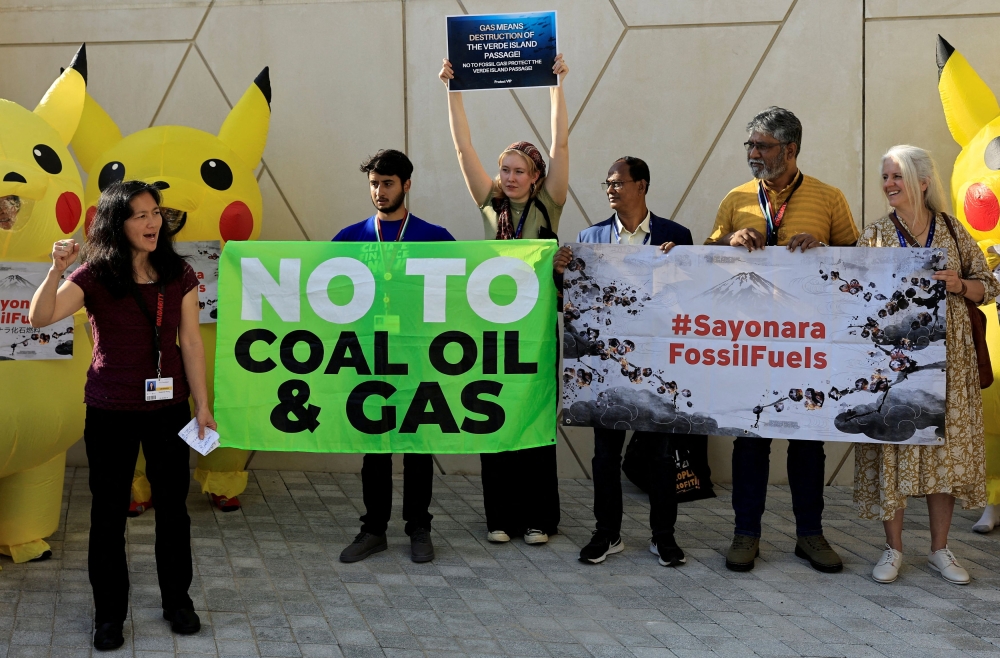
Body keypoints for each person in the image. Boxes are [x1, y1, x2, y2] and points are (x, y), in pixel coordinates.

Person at [28, 180, 212, 651]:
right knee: (108, 514)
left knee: (174, 509)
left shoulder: (178, 272)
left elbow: (191, 342)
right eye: (140, 215)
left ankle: (178, 602)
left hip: (168, 408)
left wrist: (203, 405)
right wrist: (55, 270)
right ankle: (109, 614)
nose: (153, 222)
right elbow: (40, 317)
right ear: (117, 223)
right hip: (110, 409)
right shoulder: (94, 274)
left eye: (156, 213)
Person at [706, 107, 859, 573]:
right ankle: (745, 535)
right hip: (749, 344)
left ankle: (810, 535)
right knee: (750, 440)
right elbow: (705, 259)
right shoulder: (736, 198)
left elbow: (856, 262)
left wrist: (824, 250)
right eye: (750, 144)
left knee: (808, 443)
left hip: (807, 345)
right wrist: (729, 241)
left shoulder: (829, 198)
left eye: (762, 145)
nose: (753, 153)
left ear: (789, 149)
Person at [438, 54, 569, 544]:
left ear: (535, 176)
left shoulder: (549, 203)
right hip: (491, 329)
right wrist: (452, 89)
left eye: (519, 171)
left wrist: (556, 85)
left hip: (535, 332)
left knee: (533, 415)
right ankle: (500, 517)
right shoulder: (490, 204)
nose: (510, 177)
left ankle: (538, 518)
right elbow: (462, 147)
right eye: (505, 170)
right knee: (490, 412)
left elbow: (560, 144)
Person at [854, 145, 1000, 584]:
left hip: (951, 363)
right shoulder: (875, 236)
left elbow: (989, 285)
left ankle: (940, 549)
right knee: (893, 449)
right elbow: (856, 298)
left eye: (896, 175)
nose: (888, 184)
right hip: (895, 363)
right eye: (885, 176)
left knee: (944, 454)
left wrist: (961, 284)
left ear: (922, 182)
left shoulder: (953, 230)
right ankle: (892, 549)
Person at [560, 156, 694, 567]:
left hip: (657, 362)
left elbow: (690, 296)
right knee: (605, 455)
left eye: (618, 182)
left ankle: (663, 537)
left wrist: (681, 264)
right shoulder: (590, 237)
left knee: (659, 456)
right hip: (605, 365)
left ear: (642, 185)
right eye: (607, 183)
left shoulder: (676, 235)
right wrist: (559, 273)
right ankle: (607, 533)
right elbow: (575, 299)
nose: (610, 189)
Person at [334, 149, 453, 565]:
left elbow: (466, 289)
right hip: (368, 358)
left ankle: (419, 527)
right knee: (376, 447)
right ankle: (373, 530)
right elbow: (315, 288)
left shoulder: (435, 237)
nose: (379, 191)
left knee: (418, 446)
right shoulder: (350, 238)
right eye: (374, 184)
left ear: (407, 185)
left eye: (387, 183)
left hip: (419, 359)